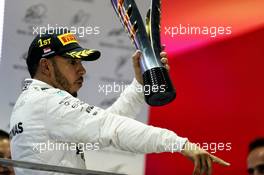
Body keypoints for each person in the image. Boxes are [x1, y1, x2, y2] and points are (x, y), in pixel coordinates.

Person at [10, 29, 230, 175]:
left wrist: (139, 84)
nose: (82, 69)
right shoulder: (46, 102)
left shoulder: (34, 101)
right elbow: (110, 129)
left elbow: (108, 124)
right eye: (72, 62)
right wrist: (179, 144)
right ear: (46, 66)